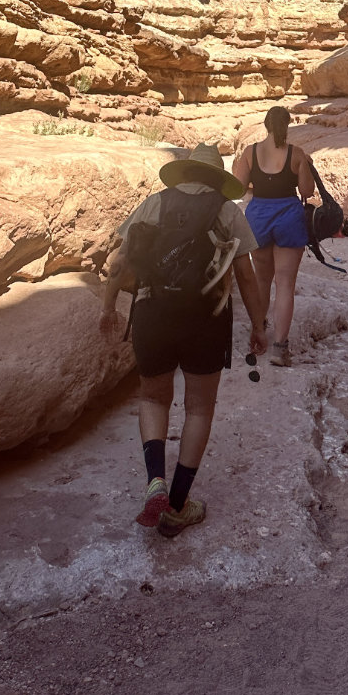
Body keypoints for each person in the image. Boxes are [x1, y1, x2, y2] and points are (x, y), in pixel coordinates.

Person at [100, 143, 268, 537]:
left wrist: (107, 308)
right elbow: (246, 276)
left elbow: (119, 262)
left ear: (187, 172)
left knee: (154, 398)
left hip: (152, 314)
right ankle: (177, 505)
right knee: (198, 409)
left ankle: (154, 480)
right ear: (216, 178)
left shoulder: (154, 204)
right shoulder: (228, 212)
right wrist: (259, 326)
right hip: (205, 321)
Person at [231, 105, 316, 368]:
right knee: (285, 285)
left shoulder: (250, 152)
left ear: (266, 124)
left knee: (261, 279)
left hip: (258, 218)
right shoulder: (297, 154)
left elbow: (238, 187)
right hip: (289, 217)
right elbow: (307, 191)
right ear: (287, 126)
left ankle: (258, 332)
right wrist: (306, 167)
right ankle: (280, 348)